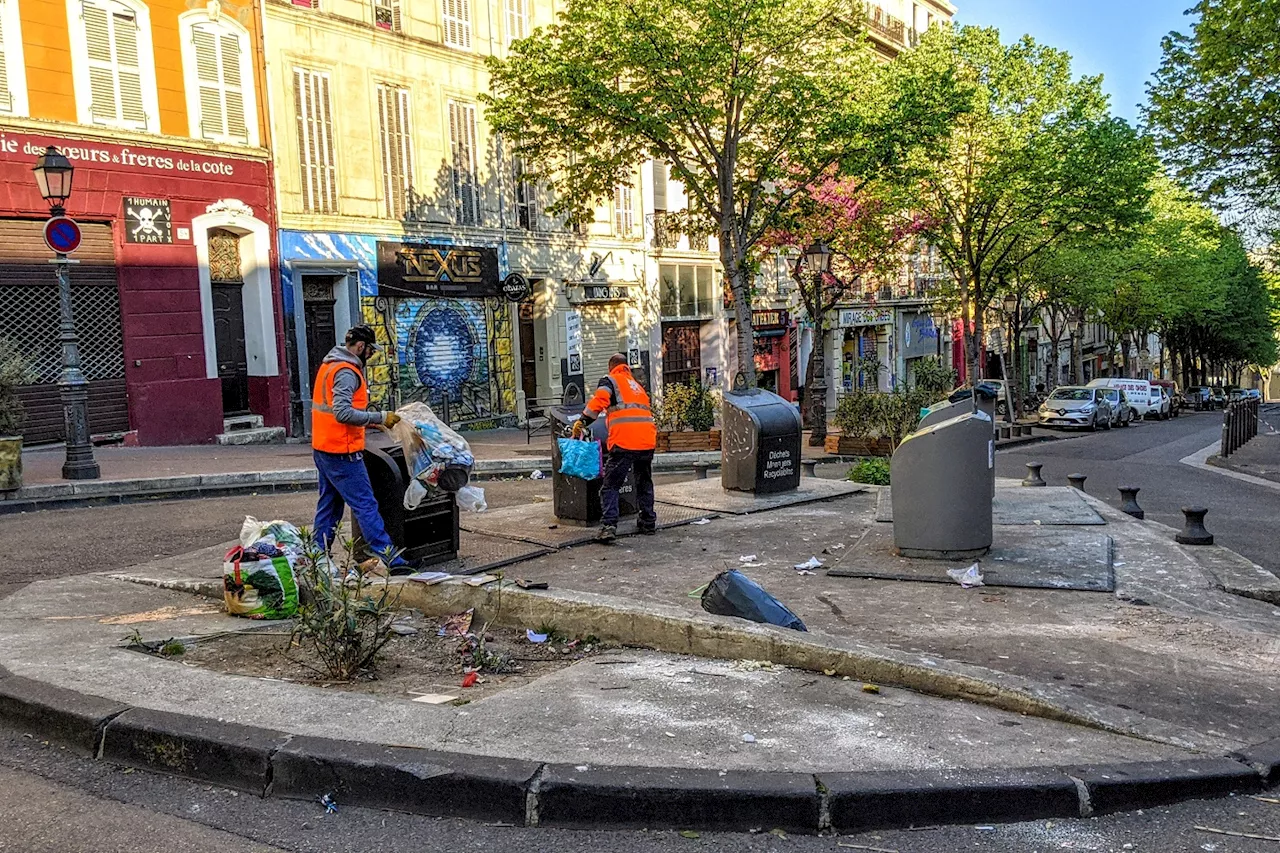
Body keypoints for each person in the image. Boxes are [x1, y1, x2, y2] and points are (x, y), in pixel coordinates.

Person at [311, 325, 409, 570]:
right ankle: (390, 559)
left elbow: (333, 412)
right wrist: (379, 418)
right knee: (366, 504)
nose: (371, 356)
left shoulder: (329, 365)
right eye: (370, 350)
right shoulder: (347, 372)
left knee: (330, 505)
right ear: (361, 346)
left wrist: (372, 424)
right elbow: (342, 413)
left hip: (323, 448)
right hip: (342, 452)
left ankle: (317, 554)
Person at [573, 353, 658, 543]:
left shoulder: (610, 380)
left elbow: (600, 399)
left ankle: (608, 526)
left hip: (625, 441)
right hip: (647, 441)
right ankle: (648, 521)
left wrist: (583, 421)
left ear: (611, 366)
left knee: (611, 485)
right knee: (644, 481)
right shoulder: (637, 386)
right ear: (625, 366)